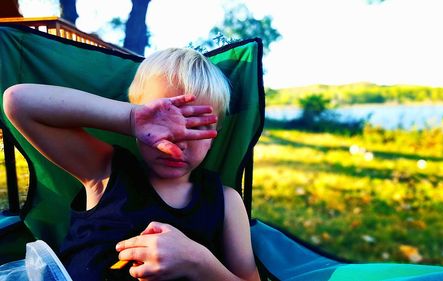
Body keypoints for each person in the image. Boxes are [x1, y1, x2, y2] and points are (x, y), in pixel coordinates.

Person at [3, 48, 260, 281]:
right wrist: (129, 118)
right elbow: (18, 102)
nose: (177, 140)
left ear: (217, 133)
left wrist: (199, 262)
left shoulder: (226, 202)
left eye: (196, 127)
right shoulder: (104, 171)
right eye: (162, 121)